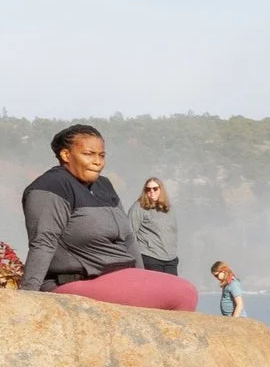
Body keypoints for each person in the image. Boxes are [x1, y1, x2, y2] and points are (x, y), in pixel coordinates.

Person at [20, 124, 199, 311]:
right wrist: (27, 298)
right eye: (89, 154)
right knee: (184, 293)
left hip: (120, 278)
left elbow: (129, 238)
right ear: (66, 155)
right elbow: (43, 242)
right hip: (77, 282)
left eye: (102, 155)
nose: (98, 162)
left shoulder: (104, 186)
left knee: (181, 292)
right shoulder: (51, 187)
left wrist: (142, 278)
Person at [131, 177, 180, 274]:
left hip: (171, 259)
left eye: (155, 188)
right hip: (150, 257)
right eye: (148, 189)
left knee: (172, 284)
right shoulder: (139, 207)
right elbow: (129, 233)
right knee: (156, 284)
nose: (151, 191)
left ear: (161, 189)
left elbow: (172, 231)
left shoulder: (168, 208)